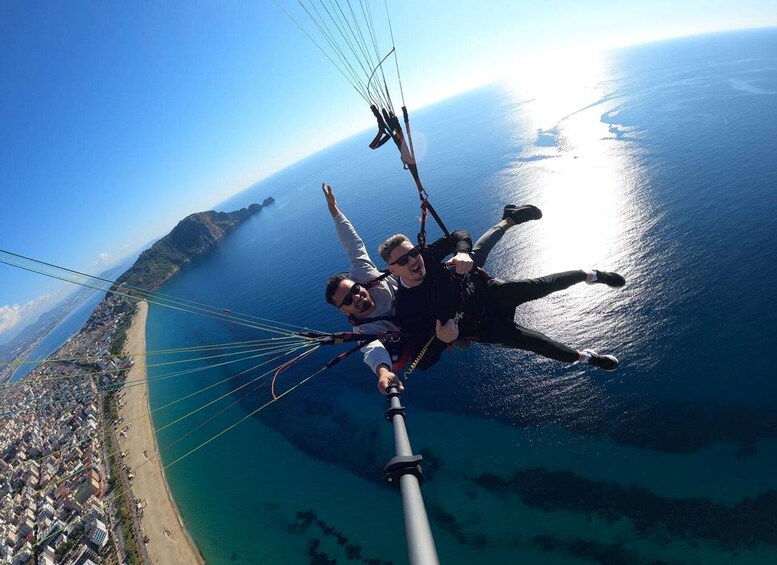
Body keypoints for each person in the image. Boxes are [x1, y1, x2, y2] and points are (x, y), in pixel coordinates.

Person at [321, 183, 541, 394]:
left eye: (355, 290)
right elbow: (373, 351)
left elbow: (352, 244)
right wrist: (383, 373)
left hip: (422, 284)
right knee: (468, 337)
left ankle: (508, 219)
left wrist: (335, 211)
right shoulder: (364, 332)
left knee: (472, 258)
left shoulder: (364, 274)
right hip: (431, 314)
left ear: (358, 283)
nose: (357, 297)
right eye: (349, 301)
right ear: (344, 310)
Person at [377, 232, 625, 393]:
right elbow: (422, 361)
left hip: (488, 293)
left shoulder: (427, 257)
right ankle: (588, 358)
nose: (412, 261)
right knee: (534, 342)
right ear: (392, 269)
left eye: (413, 253)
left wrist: (462, 251)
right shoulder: (407, 308)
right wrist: (442, 341)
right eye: (402, 261)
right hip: (478, 327)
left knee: (539, 286)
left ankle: (591, 275)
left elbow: (458, 235)